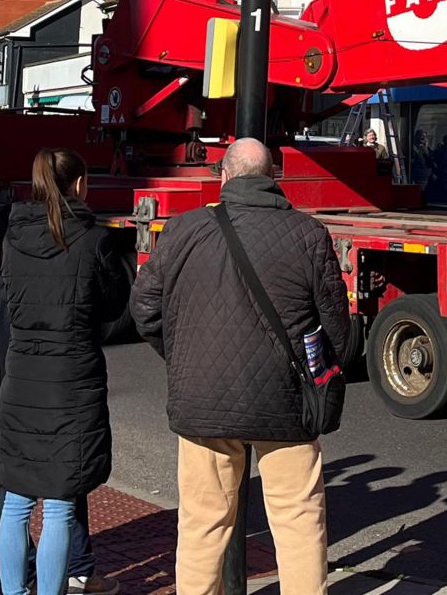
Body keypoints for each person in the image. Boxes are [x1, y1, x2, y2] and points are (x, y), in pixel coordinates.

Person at [131, 138, 351, 595]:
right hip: (285, 402)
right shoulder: (307, 234)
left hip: (203, 399)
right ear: (275, 177)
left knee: (202, 524)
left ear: (224, 177)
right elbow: (337, 327)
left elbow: (145, 307)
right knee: (298, 521)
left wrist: (182, 356)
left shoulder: (184, 229)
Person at [0, 149, 128, 595]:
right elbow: (112, 304)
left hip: (20, 379)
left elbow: (5, 303)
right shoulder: (92, 240)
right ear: (78, 185)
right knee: (59, 506)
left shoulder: (13, 238)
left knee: (14, 501)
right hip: (71, 383)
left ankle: (14, 592)